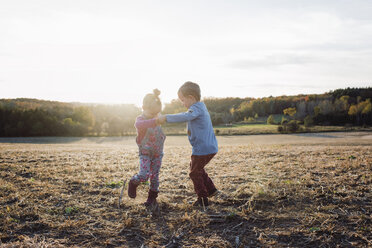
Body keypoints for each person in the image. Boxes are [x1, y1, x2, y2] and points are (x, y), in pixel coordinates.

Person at [158, 82, 218, 207]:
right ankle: (211, 190)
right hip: (208, 146)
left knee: (194, 172)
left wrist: (166, 118)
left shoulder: (196, 109)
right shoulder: (201, 107)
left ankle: (202, 199)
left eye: (183, 100)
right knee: (197, 168)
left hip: (203, 148)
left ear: (191, 98)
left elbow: (186, 116)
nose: (182, 103)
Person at [128, 89, 165, 209]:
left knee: (155, 176)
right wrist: (154, 121)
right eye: (151, 113)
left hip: (157, 154)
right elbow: (139, 126)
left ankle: (152, 198)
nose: (154, 116)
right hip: (145, 153)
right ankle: (133, 182)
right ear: (143, 107)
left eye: (156, 113)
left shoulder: (158, 117)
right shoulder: (140, 119)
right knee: (144, 175)